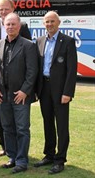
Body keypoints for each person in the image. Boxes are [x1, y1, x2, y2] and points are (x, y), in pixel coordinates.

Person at [0, 12, 38, 173]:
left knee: (22, 128)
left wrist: (25, 91)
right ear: (4, 26)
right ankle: (12, 157)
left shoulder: (29, 45)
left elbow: (32, 71)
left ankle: (22, 160)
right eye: (8, 24)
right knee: (7, 127)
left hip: (20, 96)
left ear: (19, 26)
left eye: (13, 24)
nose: (10, 27)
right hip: (3, 95)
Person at [0, 0, 31, 157]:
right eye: (0, 9)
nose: (3, 12)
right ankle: (6, 146)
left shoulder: (22, 27)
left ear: (13, 10)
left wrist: (26, 86)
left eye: (6, 9)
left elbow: (29, 56)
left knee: (20, 122)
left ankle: (18, 151)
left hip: (17, 84)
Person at [34, 11, 77, 174]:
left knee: (62, 125)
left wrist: (68, 92)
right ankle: (49, 155)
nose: (49, 24)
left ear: (58, 23)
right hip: (44, 88)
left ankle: (60, 160)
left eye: (52, 21)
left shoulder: (67, 41)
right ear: (43, 24)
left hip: (60, 90)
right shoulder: (39, 41)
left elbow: (72, 70)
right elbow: (37, 68)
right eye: (47, 22)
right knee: (47, 122)